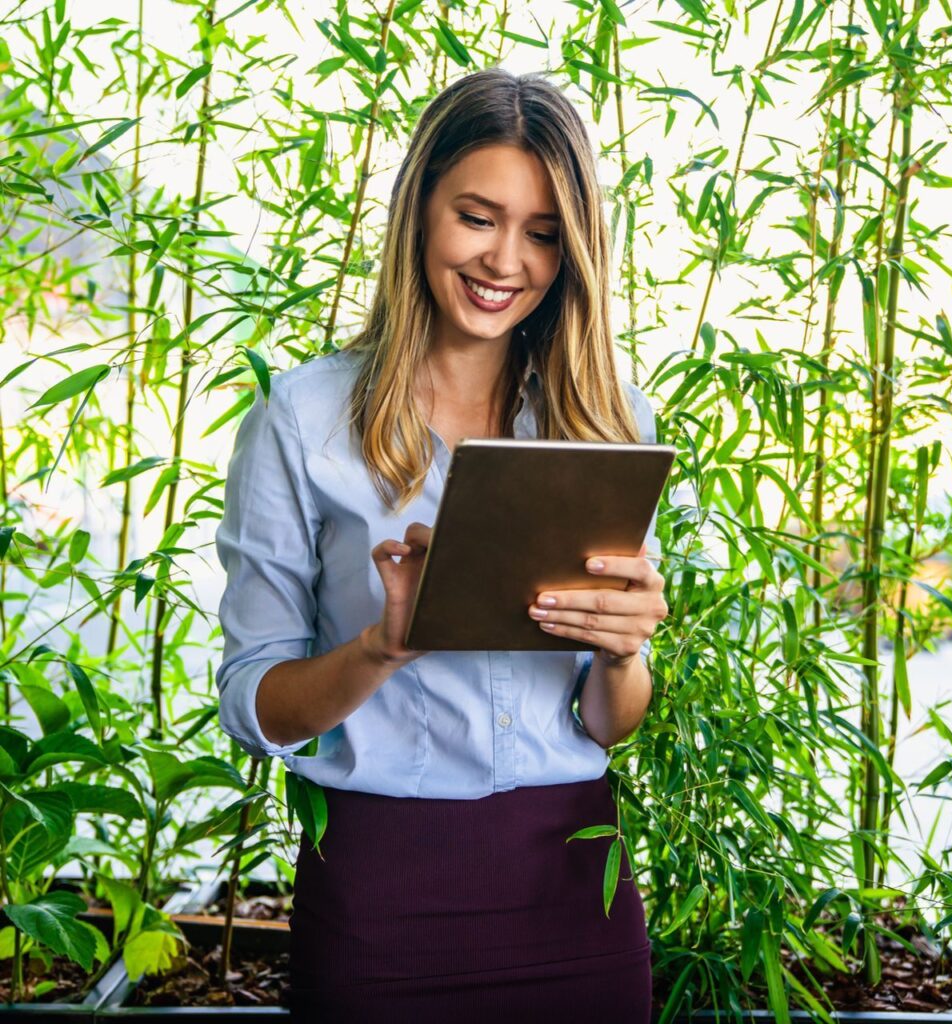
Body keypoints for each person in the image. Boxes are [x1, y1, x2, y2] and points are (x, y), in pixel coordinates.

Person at [214, 67, 669, 1023]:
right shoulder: (299, 420)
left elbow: (607, 723)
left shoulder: (607, 426)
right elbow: (255, 705)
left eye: (544, 234)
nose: (508, 260)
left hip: (575, 883)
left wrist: (626, 650)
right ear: (419, 210)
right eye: (478, 216)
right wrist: (383, 647)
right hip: (383, 896)